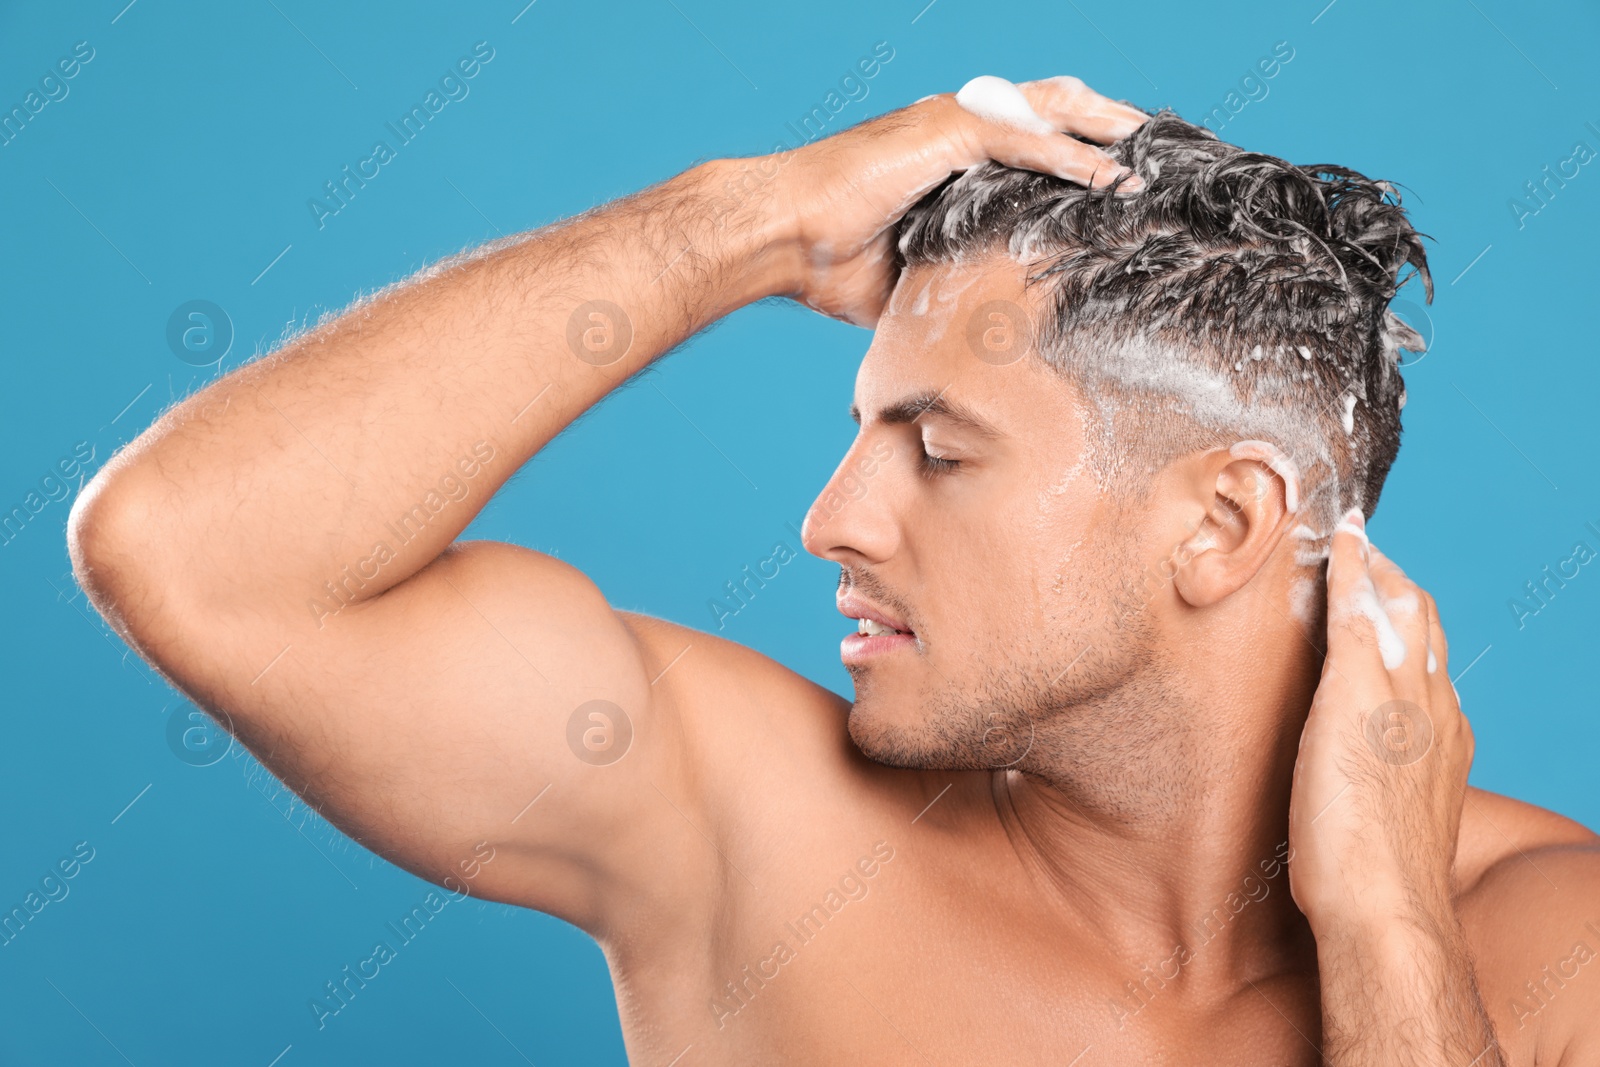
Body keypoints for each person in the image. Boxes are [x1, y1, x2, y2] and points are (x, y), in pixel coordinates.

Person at [69, 73, 1599, 1065]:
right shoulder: (752, 836)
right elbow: (195, 555)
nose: (832, 518)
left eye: (938, 451)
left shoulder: (1551, 940)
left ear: (1219, 526)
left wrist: (1389, 927)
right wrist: (754, 225)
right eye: (863, 434)